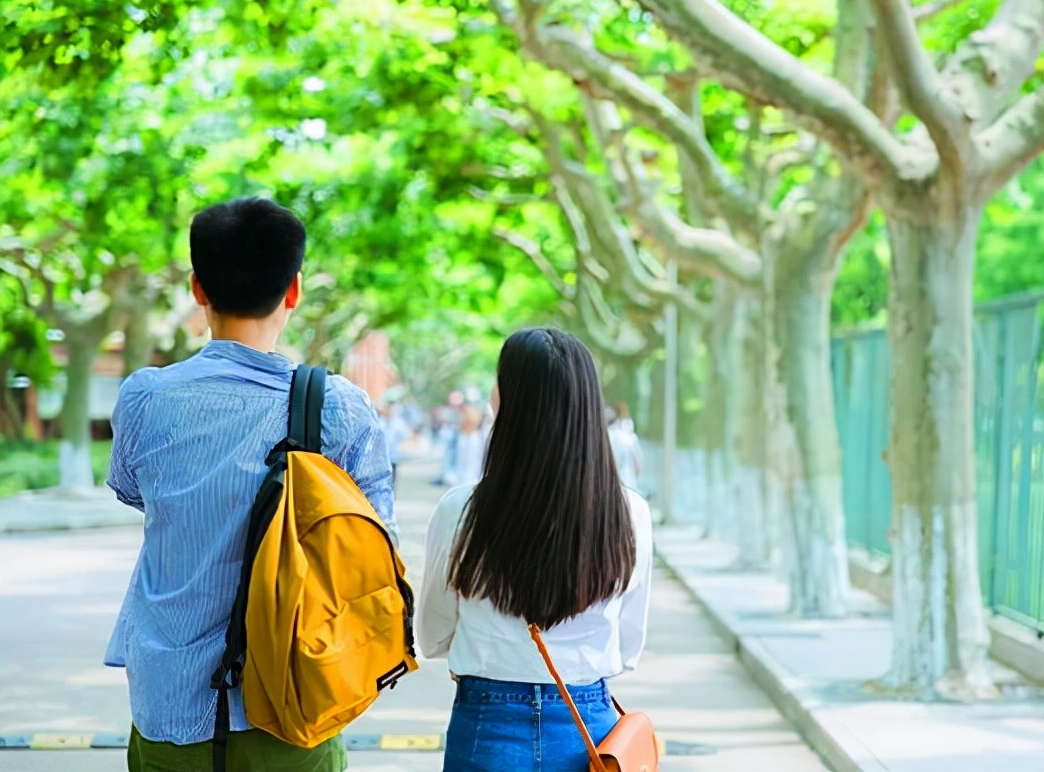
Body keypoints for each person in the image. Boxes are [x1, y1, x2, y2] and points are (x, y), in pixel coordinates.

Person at [106, 197, 395, 772]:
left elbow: (131, 487)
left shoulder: (147, 399)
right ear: (293, 291)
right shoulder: (340, 411)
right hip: (294, 703)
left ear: (197, 288)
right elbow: (375, 542)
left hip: (170, 708)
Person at [420, 328, 654, 771]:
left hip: (486, 724)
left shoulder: (460, 510)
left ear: (509, 400)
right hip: (590, 732)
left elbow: (433, 636)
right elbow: (627, 649)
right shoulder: (630, 513)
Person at [445, 402, 488, 487]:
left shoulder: (483, 437)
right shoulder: (455, 437)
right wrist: (451, 479)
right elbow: (447, 462)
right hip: (458, 483)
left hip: (477, 482)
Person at [606, 404, 644, 494]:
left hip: (612, 484)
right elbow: (638, 468)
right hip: (629, 484)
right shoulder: (632, 439)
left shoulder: (609, 436)